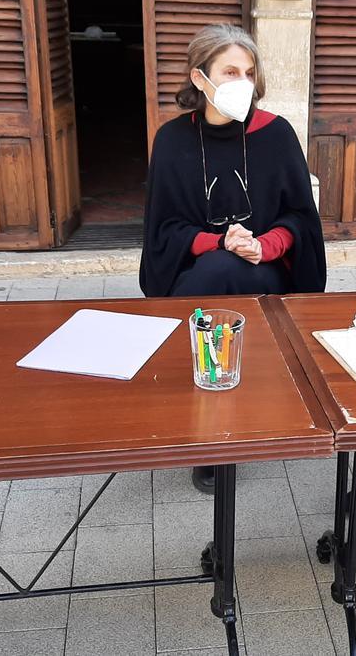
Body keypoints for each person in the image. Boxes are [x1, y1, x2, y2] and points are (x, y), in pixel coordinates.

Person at [140, 24, 327, 493]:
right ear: (200, 79)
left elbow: (300, 220)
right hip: (198, 272)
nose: (243, 81)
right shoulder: (172, 141)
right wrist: (217, 242)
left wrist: (265, 246)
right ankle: (217, 427)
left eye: (249, 71)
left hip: (265, 272)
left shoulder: (276, 134)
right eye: (229, 71)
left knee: (230, 274)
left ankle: (214, 432)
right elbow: (164, 230)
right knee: (219, 270)